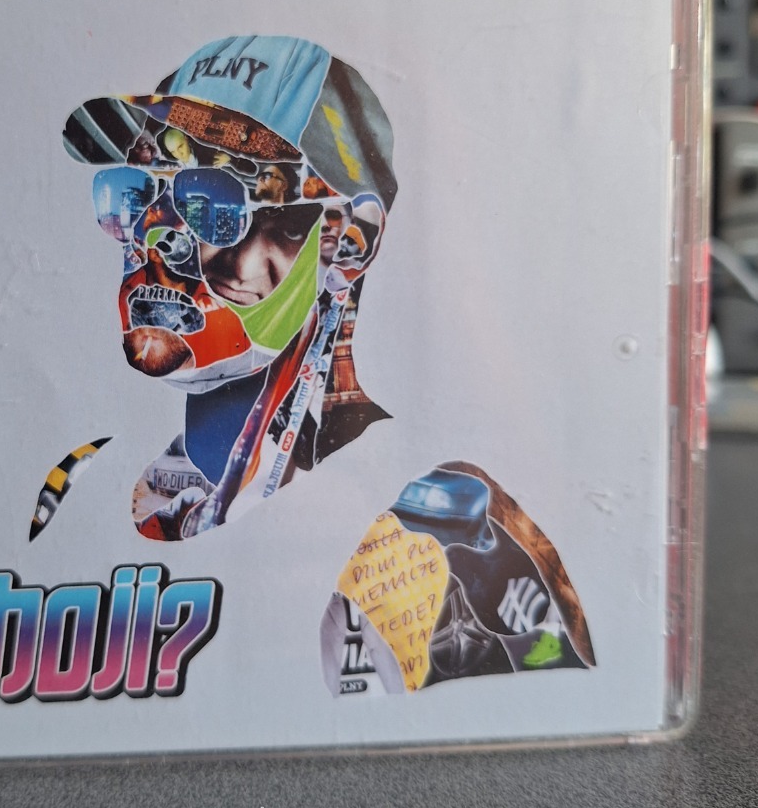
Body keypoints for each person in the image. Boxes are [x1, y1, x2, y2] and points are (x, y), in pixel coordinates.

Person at [61, 34, 593, 694]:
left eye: (215, 201)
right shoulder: (131, 493)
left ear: (347, 242)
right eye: (139, 189)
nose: (157, 235)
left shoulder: (446, 530)